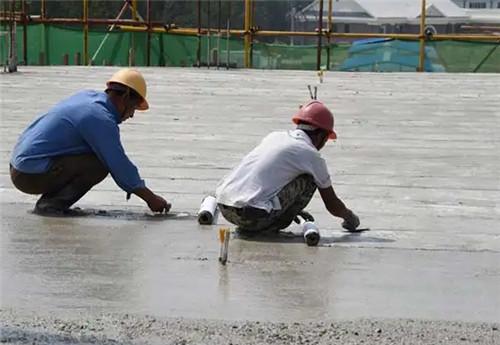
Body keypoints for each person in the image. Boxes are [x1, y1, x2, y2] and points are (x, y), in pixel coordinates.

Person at [10, 68, 170, 215]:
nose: (132, 115)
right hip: (29, 175)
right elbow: (118, 163)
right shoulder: (99, 117)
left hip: (21, 166)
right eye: (133, 108)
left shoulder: (87, 98)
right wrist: (150, 198)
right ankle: (51, 205)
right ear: (126, 97)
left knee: (96, 154)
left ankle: (52, 202)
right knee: (99, 164)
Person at [215, 100, 360, 233]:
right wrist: (350, 218)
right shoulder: (311, 155)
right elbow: (332, 203)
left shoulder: (274, 136)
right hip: (253, 217)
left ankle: (271, 210)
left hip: (225, 207)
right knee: (310, 179)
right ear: (320, 135)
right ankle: (271, 224)